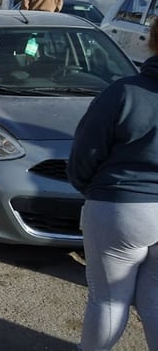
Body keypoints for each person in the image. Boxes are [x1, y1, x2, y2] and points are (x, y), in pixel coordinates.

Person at [67, 19, 158, 351]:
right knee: (155, 297)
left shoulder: (123, 92)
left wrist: (90, 189)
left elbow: (84, 156)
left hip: (121, 207)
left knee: (108, 299)